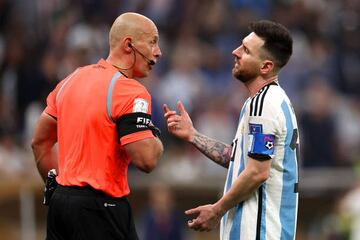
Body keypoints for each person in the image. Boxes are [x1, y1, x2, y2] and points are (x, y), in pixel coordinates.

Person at [31, 12, 163, 240]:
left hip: (61, 206)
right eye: (152, 42)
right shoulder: (130, 91)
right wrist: (155, 136)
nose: (158, 52)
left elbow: (39, 142)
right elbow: (146, 160)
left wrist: (59, 187)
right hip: (102, 208)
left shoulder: (69, 81)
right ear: (129, 44)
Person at [164, 20, 299, 239]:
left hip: (260, 231)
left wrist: (217, 210)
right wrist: (193, 136)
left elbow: (257, 172)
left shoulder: (263, 104)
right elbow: (242, 161)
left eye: (245, 50)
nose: (235, 52)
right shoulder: (271, 101)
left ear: (266, 66)